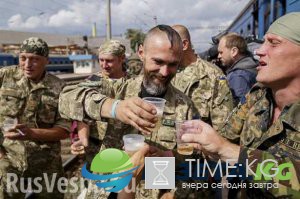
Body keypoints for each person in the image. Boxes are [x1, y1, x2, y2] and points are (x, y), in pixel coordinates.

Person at [59, 25, 199, 198]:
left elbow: (193, 160)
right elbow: (66, 97)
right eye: (158, 62)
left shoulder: (184, 107)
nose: (164, 72)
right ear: (141, 53)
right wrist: (114, 107)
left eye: (172, 64)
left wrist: (168, 157)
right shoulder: (118, 89)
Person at [181, 12, 300, 198]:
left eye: (274, 43)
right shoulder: (259, 95)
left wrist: (229, 151)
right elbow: (223, 138)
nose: (259, 50)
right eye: (264, 42)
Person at [0, 37, 70, 199]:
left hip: (46, 161)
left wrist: (31, 133)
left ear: (46, 61)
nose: (27, 64)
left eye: (34, 60)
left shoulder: (59, 88)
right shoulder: (5, 77)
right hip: (9, 159)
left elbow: (64, 130)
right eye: (23, 58)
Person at [70, 40, 129, 156]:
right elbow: (82, 115)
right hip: (97, 148)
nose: (104, 65)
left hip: (125, 148)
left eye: (109, 61)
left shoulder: (133, 83)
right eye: (101, 60)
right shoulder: (91, 82)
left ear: (122, 59)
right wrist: (83, 138)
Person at [172, 25, 234, 131]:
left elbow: (223, 129)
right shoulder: (164, 71)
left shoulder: (212, 75)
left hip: (196, 145)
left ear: (184, 44)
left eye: (169, 45)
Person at [218, 33, 257, 105]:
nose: (219, 56)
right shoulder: (250, 66)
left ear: (234, 51)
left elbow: (240, 107)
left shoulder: (237, 76)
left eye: (221, 52)